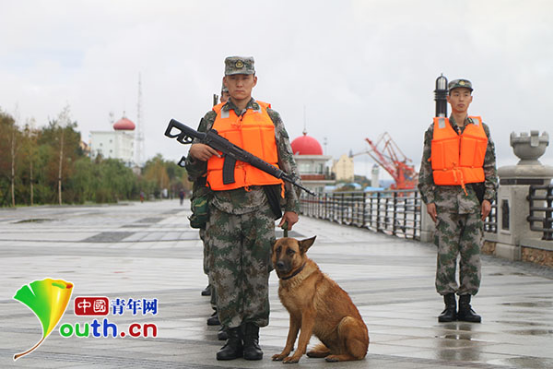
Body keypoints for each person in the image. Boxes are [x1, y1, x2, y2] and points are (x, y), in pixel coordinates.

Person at [185, 56, 300, 361]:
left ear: (254, 81)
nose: (239, 83)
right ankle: (232, 337)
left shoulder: (271, 117)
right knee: (224, 277)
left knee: (257, 275)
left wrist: (292, 206)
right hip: (221, 210)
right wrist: (193, 153)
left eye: (244, 78)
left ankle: (252, 338)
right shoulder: (210, 120)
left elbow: (287, 163)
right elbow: (194, 173)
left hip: (260, 209)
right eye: (233, 78)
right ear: (225, 82)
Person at [418, 79, 497, 323]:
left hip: (472, 202)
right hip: (444, 202)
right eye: (456, 95)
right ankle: (449, 305)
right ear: (449, 99)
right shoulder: (435, 130)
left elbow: (490, 167)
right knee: (446, 254)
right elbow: (426, 169)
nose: (461, 99)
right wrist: (428, 199)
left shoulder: (482, 129)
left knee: (472, 254)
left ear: (471, 99)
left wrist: (488, 198)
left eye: (465, 95)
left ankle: (466, 305)